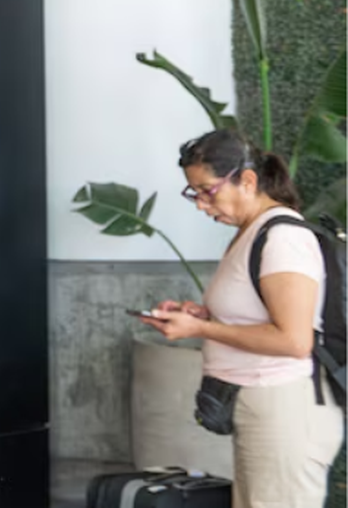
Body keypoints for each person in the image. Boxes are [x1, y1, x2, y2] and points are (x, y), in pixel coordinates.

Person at [141, 130, 343, 508]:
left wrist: (201, 329)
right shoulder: (252, 233)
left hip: (286, 412)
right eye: (193, 193)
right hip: (265, 409)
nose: (201, 205)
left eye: (207, 190)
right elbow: (256, 314)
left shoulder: (282, 237)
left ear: (247, 181)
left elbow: (294, 340)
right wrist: (202, 315)